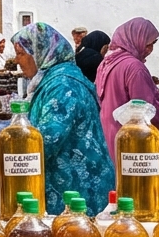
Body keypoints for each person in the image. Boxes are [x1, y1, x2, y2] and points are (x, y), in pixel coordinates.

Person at [6, 23, 114, 213]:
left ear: (40, 53)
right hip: (67, 189)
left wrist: (3, 139)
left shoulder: (63, 85)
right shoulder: (52, 80)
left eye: (21, 54)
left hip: (79, 192)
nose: (17, 60)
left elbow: (46, 139)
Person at [94, 17, 159, 157]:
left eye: (153, 44)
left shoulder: (108, 63)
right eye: (148, 44)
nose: (150, 49)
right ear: (134, 40)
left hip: (109, 133)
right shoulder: (134, 67)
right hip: (130, 139)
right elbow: (146, 111)